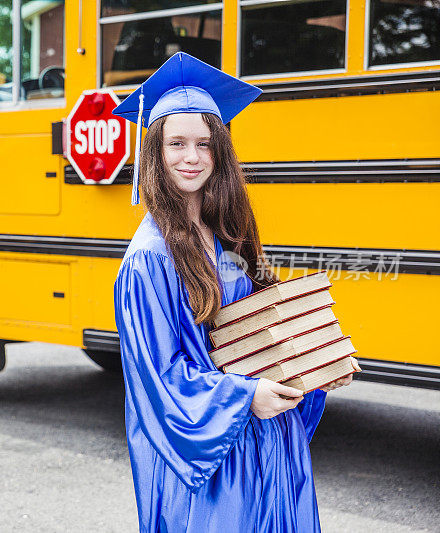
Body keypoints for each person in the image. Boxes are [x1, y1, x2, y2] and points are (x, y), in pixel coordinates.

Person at [111, 52, 354, 532]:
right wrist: (243, 399)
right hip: (211, 460)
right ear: (155, 152)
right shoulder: (148, 259)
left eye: (204, 143)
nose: (191, 157)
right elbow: (159, 378)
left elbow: (260, 325)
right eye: (176, 143)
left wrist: (311, 363)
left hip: (264, 440)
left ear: (220, 151)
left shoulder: (227, 232)